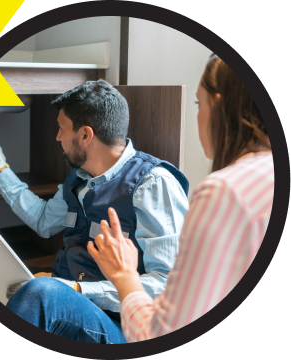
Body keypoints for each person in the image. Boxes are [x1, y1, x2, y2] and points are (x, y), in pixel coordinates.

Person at [0, 79, 189, 343]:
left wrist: (74, 289)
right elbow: (43, 220)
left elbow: (168, 286)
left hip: (122, 326)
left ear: (85, 135)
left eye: (62, 129)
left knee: (41, 293)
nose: (57, 137)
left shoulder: (153, 184)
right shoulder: (79, 180)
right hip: (76, 307)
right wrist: (0, 168)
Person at [87, 55, 273, 342]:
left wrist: (124, 276)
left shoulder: (222, 191)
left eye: (199, 104)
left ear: (220, 106)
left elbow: (160, 333)